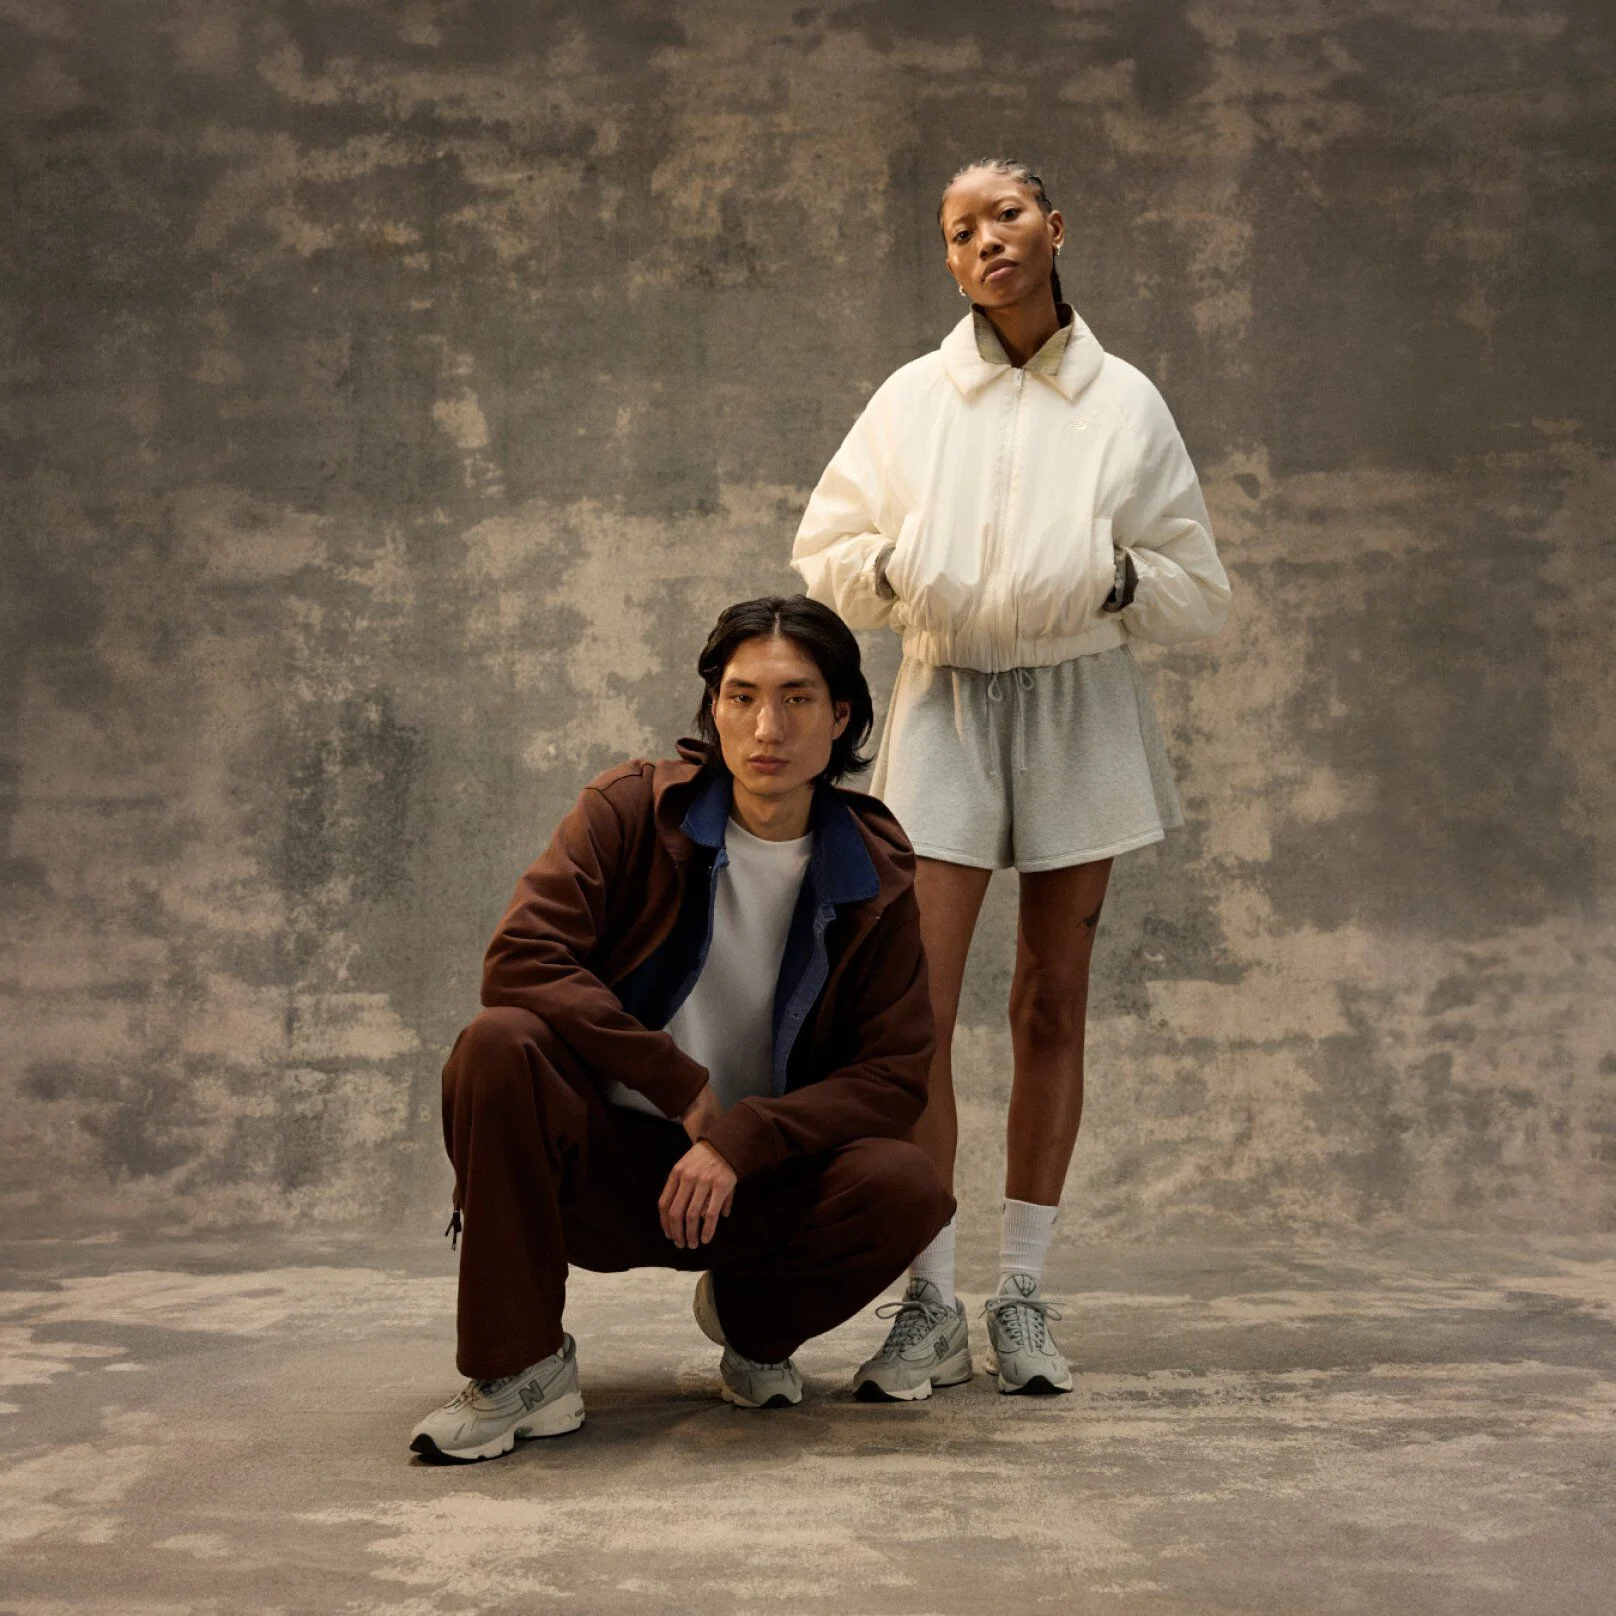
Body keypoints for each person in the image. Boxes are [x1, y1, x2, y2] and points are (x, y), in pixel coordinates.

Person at [792, 157, 1230, 1401]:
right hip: (944, 696)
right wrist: (911, 576)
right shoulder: (914, 397)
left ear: (1052, 226)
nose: (986, 240)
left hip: (1078, 699)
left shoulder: (1123, 401)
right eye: (958, 229)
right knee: (913, 1013)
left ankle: (1021, 1292)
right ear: (946, 259)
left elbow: (1196, 582)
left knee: (1050, 1001)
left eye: (1006, 215)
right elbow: (825, 548)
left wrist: (1107, 580)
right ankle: (927, 1297)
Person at [410, 595, 952, 1462]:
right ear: (714, 708)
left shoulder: (873, 873)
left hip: (752, 1187)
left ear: (842, 714)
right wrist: (682, 1087)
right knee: (497, 1044)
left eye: (798, 697)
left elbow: (893, 1076)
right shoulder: (632, 810)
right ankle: (523, 1370)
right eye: (741, 696)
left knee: (907, 1184)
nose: (766, 725)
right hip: (602, 1165)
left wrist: (743, 1136)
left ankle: (751, 1322)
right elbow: (519, 959)